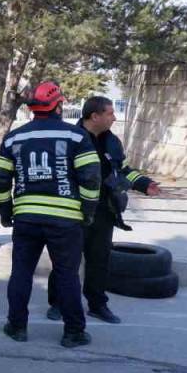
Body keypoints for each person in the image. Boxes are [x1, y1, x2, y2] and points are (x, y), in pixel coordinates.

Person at [0, 81, 101, 348]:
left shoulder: (14, 138)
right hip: (66, 221)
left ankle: (16, 327)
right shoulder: (76, 137)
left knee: (21, 273)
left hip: (27, 219)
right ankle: (73, 332)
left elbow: (0, 182)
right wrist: (87, 212)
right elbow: (91, 179)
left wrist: (6, 213)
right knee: (67, 275)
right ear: (59, 106)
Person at [45, 96, 161, 324]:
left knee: (99, 260)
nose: (114, 117)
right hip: (73, 211)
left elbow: (122, 169)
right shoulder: (70, 138)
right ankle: (58, 303)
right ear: (94, 116)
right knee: (66, 260)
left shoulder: (112, 141)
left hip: (103, 211)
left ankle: (97, 305)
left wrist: (144, 184)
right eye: (110, 113)